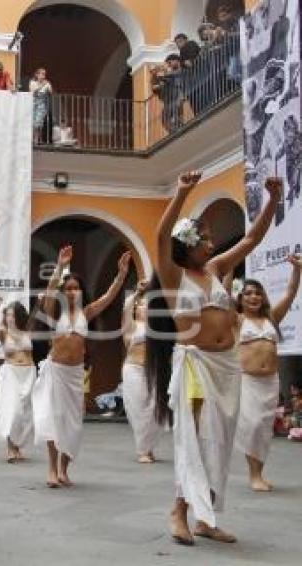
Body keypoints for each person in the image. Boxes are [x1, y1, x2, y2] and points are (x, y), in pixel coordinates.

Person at [146, 171, 280, 546]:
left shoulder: (217, 270)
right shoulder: (173, 276)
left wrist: (273, 201)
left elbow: (252, 237)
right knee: (194, 438)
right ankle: (179, 511)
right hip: (194, 363)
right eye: (202, 238)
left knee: (219, 441)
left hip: (226, 367)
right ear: (186, 246)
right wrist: (181, 192)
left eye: (208, 237)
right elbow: (160, 235)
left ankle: (207, 516)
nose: (209, 242)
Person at [33, 246, 131, 488]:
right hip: (56, 372)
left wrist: (120, 274)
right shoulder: (53, 312)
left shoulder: (86, 313)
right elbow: (49, 291)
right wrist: (60, 266)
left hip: (76, 374)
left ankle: (64, 469)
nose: (72, 292)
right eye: (68, 289)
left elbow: (109, 297)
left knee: (73, 424)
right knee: (54, 420)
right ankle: (51, 470)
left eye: (76, 288)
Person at [234, 255, 301, 491]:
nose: (254, 296)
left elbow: (291, 293)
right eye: (248, 293)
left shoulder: (271, 318)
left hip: (270, 382)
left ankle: (258, 474)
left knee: (263, 428)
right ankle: (253, 474)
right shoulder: (237, 320)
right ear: (240, 299)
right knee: (251, 425)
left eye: (258, 293)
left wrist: (297, 270)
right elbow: (220, 299)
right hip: (248, 381)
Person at [0, 296, 35, 463]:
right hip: (11, 374)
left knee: (25, 413)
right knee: (12, 410)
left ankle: (17, 446)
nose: (9, 318)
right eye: (7, 315)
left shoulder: (27, 330)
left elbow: (38, 312)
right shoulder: (3, 333)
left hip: (28, 373)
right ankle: (10, 447)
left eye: (12, 315)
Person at [121, 279, 161, 463]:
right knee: (137, 408)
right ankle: (142, 450)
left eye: (147, 305)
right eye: (141, 305)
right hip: (133, 369)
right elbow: (126, 307)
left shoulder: (157, 327)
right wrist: (137, 292)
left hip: (153, 369)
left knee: (154, 408)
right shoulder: (131, 327)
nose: (143, 308)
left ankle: (148, 446)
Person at [153, 55, 185, 134]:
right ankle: (174, 130)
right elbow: (157, 88)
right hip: (170, 99)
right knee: (165, 117)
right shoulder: (169, 73)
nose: (169, 64)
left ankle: (179, 127)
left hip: (177, 95)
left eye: (170, 62)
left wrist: (164, 75)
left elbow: (176, 74)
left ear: (176, 60)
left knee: (176, 112)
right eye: (168, 63)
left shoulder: (178, 70)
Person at [30, 68, 53, 143]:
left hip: (42, 105)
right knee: (32, 122)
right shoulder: (33, 82)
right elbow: (33, 92)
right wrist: (42, 85)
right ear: (37, 75)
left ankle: (37, 138)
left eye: (44, 74)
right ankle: (33, 138)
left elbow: (51, 92)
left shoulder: (47, 83)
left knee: (39, 122)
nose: (43, 76)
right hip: (33, 104)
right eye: (42, 74)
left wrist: (49, 87)